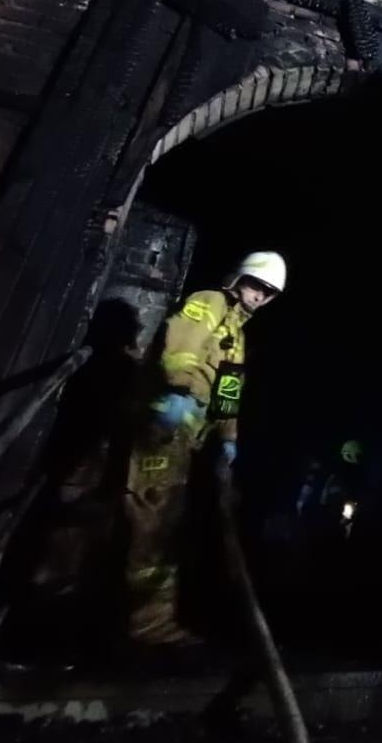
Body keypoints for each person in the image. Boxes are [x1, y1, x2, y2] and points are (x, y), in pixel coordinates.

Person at [120, 250, 286, 646]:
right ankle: (146, 624)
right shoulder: (209, 301)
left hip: (187, 441)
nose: (260, 296)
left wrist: (228, 440)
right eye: (256, 285)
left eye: (269, 292)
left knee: (165, 523)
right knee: (152, 523)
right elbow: (179, 347)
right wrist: (177, 393)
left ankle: (148, 618)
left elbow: (229, 395)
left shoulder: (239, 336)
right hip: (163, 425)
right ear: (239, 279)